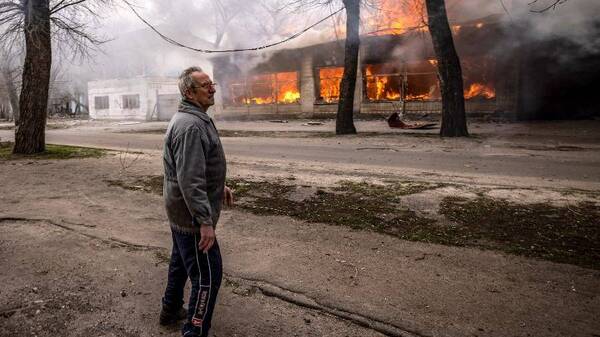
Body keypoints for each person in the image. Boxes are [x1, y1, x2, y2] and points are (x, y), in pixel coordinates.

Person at [160, 66, 234, 337]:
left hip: (180, 210)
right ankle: (195, 330)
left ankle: (169, 310)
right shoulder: (191, 126)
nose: (213, 88)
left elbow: (194, 166)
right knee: (208, 276)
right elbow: (190, 180)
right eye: (206, 85)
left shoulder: (193, 118)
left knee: (180, 261)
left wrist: (218, 185)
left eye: (212, 83)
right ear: (190, 92)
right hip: (190, 216)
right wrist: (204, 222)